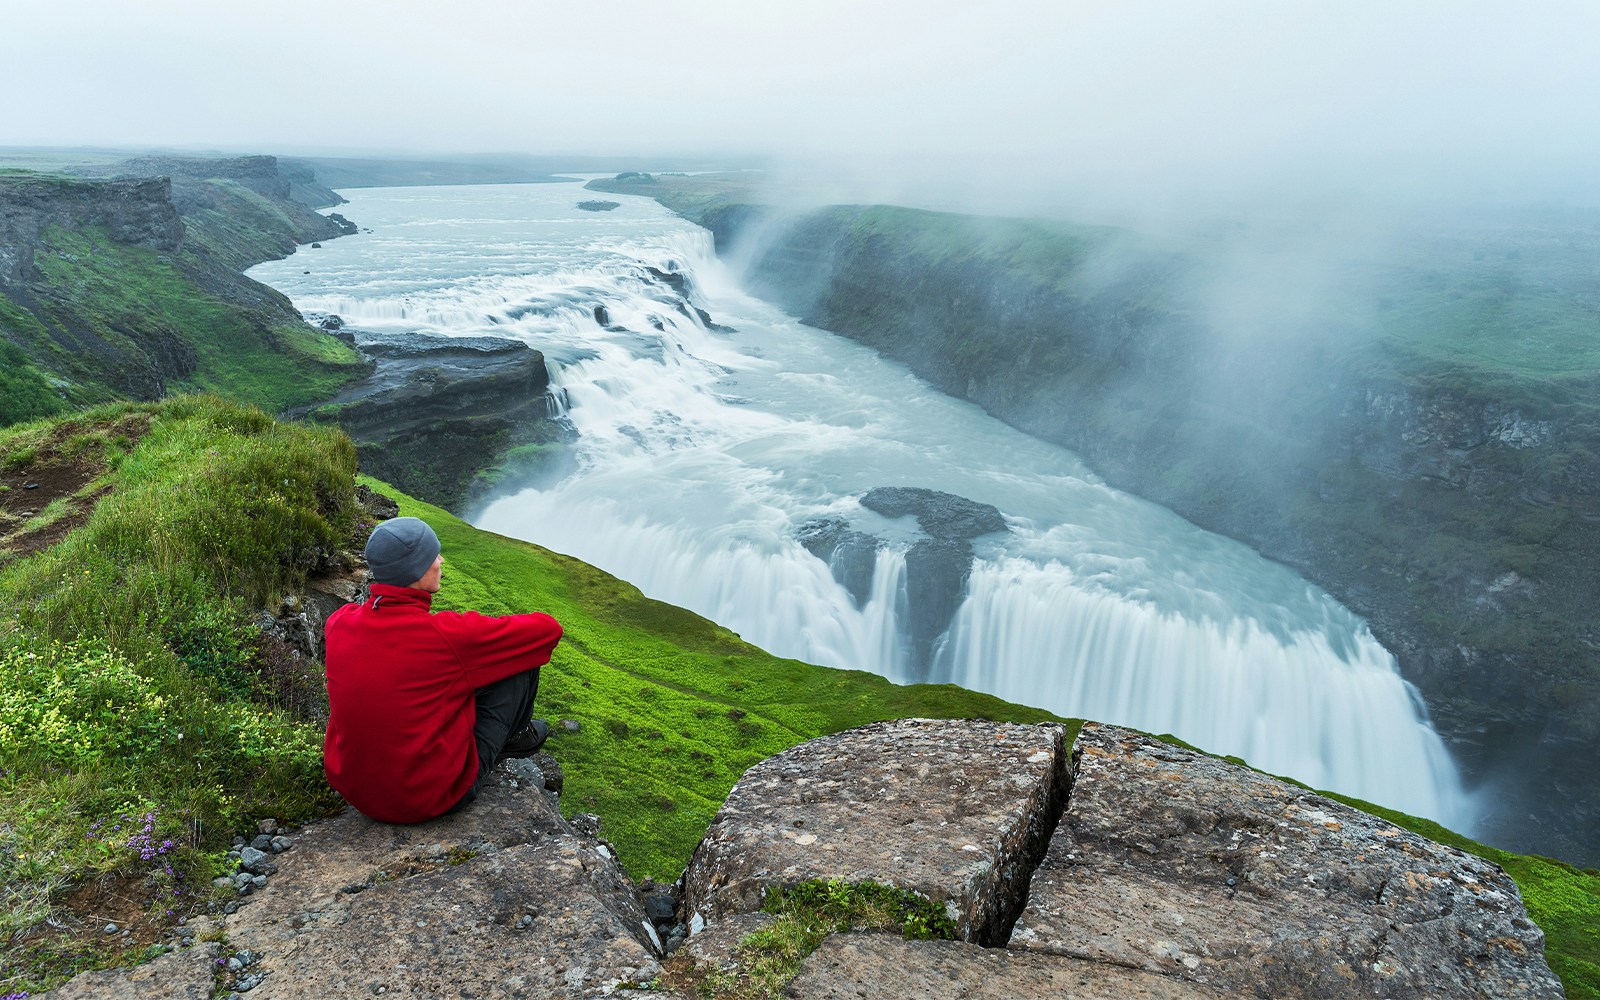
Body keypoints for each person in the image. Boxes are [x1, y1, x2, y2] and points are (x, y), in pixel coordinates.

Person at [323, 516, 562, 824]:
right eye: (432, 555)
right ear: (415, 570)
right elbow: (548, 630)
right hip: (428, 797)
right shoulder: (445, 636)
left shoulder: (339, 622)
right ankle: (515, 737)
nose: (440, 560)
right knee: (519, 661)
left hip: (356, 792)